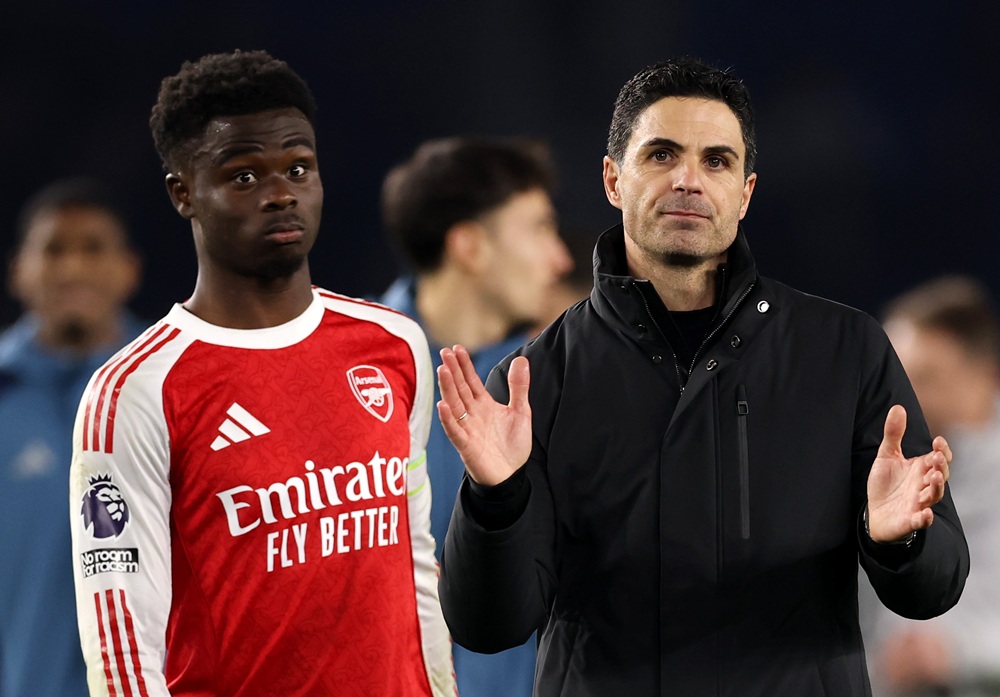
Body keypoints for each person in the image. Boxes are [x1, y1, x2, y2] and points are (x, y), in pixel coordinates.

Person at [434, 56, 970, 696]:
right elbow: (487, 625)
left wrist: (899, 541)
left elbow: (934, 589)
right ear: (612, 179)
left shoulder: (845, 350)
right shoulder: (534, 380)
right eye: (661, 155)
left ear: (744, 192)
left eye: (716, 161)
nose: (688, 179)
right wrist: (496, 502)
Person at [69, 50, 454, 696]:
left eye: (298, 168)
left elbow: (415, 565)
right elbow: (122, 646)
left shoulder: (394, 344)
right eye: (244, 177)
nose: (282, 193)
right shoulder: (135, 391)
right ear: (182, 192)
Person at [379, 136, 572, 697]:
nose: (559, 258)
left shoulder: (565, 380)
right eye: (539, 228)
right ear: (470, 246)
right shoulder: (329, 376)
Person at [0, 178, 143, 697]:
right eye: (54, 249)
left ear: (129, 270)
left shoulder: (177, 387)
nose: (73, 267)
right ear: (19, 270)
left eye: (93, 248)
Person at [864, 276, 1000, 696]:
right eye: (894, 378)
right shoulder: (869, 475)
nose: (903, 399)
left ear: (986, 375)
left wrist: (953, 655)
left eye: (925, 377)